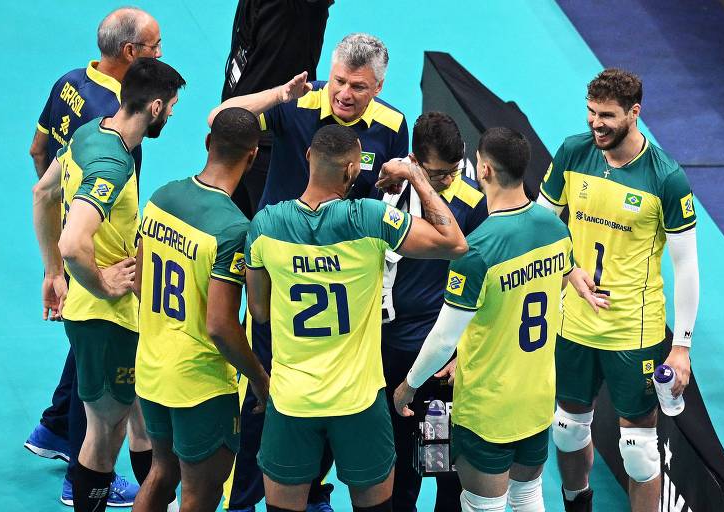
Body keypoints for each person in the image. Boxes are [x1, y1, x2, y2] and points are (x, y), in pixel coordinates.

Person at [210, 32, 409, 511]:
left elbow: (387, 202)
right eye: (339, 80)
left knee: (338, 394)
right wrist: (280, 94)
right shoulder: (299, 102)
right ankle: (242, 500)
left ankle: (312, 485)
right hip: (281, 269)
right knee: (268, 389)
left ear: (377, 88)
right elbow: (222, 119)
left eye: (358, 87)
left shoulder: (392, 126)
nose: (344, 93)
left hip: (345, 281)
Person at [244, 124, 467, 512]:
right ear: (351, 171)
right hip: (359, 403)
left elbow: (259, 311)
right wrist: (415, 174)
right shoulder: (370, 218)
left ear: (309, 157)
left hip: (293, 400)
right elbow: (454, 243)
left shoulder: (265, 226)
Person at [394, 127, 602, 512]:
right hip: (537, 399)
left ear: (484, 169)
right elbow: (556, 288)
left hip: (488, 407)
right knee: (527, 496)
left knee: (480, 505)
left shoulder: (478, 251)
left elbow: (443, 337)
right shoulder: (556, 229)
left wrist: (408, 385)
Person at [537, 68, 699, 512]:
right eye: (590, 112)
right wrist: (570, 270)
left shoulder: (666, 178)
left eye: (607, 115)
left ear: (634, 113)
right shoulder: (573, 152)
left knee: (639, 451)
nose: (596, 124)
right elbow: (542, 222)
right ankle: (578, 504)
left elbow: (687, 267)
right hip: (574, 320)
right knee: (567, 429)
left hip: (634, 329)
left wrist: (681, 347)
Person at [32, 58, 185, 512]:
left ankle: (161, 503)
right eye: (172, 106)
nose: (173, 114)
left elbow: (43, 193)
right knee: (105, 433)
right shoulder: (113, 165)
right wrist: (100, 283)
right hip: (104, 319)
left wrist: (53, 273)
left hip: (113, 314)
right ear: (155, 106)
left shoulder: (90, 131)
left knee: (140, 418)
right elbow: (75, 239)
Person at [132, 108, 271, 512]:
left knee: (162, 473)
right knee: (201, 493)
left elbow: (140, 283)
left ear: (208, 144)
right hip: (200, 386)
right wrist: (260, 379)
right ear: (253, 157)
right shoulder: (232, 230)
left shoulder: (162, 196)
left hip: (153, 367)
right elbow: (220, 326)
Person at [372, 112, 487, 512]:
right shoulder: (384, 195)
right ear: (415, 162)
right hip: (386, 352)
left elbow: (484, 287)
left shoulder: (473, 203)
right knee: (398, 466)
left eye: (453, 171)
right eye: (437, 174)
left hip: (442, 359)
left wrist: (462, 351)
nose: (448, 181)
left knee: (449, 472)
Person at [221, 0, 332, 219]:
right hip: (234, 131)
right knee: (229, 235)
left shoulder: (300, 9)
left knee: (270, 235)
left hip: (272, 145)